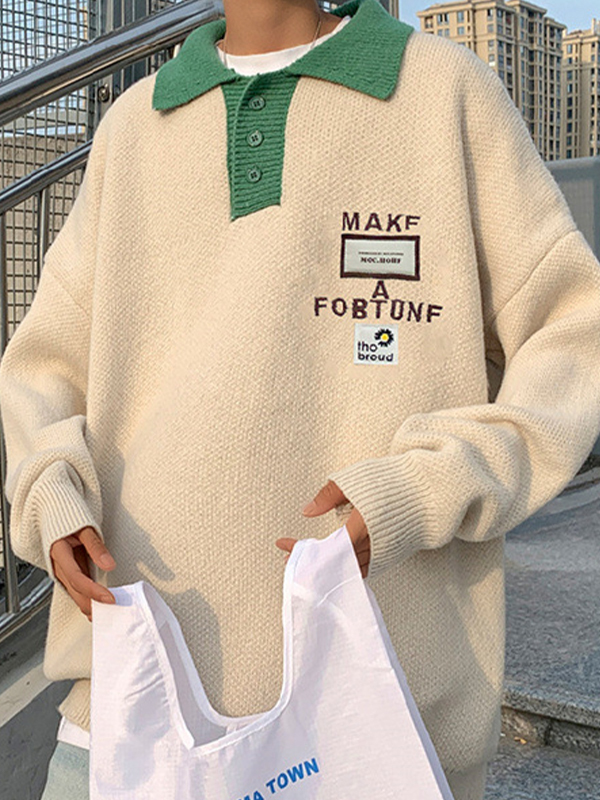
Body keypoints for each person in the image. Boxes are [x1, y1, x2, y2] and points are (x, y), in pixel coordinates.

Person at [1, 0, 600, 798]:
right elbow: (44, 362)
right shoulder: (137, 123)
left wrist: (432, 484)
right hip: (127, 703)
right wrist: (49, 488)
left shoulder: (440, 90)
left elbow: (575, 330)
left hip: (379, 720)